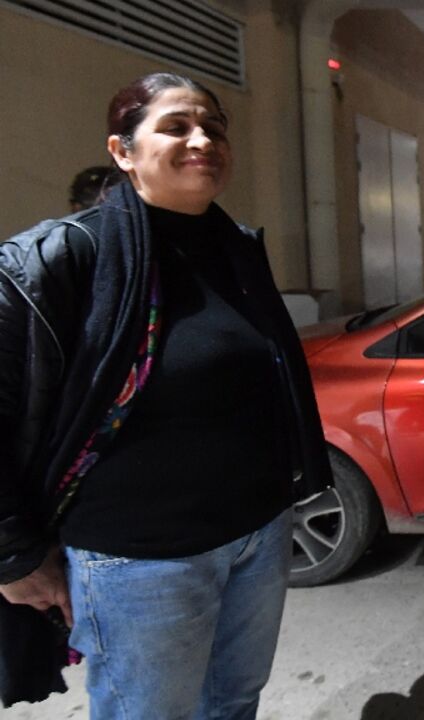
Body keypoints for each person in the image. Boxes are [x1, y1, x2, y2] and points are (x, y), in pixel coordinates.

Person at [0, 72, 331, 716]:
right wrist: (13, 554)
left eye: (213, 127)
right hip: (140, 560)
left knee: (233, 700)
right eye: (176, 126)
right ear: (123, 151)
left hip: (255, 537)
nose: (202, 139)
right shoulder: (62, 259)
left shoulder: (234, 250)